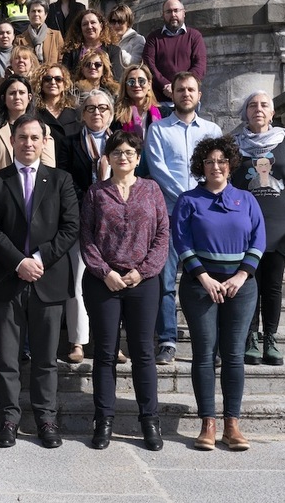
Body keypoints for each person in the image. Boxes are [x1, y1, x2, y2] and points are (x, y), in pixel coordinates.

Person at [0, 114, 79, 449]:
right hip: (8, 280)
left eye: (34, 138)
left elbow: (70, 228)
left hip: (47, 280)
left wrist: (38, 259)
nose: (28, 143)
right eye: (22, 137)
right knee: (8, 358)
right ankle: (9, 417)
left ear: (44, 141)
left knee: (45, 359)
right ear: (12, 141)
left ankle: (45, 418)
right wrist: (18, 261)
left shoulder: (61, 180)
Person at [173, 135, 266, 452]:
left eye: (221, 161)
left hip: (241, 287)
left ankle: (232, 424)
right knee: (204, 353)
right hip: (200, 288)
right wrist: (203, 277)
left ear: (230, 165)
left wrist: (241, 275)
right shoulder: (189, 200)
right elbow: (182, 242)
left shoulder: (246, 199)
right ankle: (207, 424)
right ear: (201, 165)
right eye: (210, 161)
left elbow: (259, 239)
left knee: (234, 354)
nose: (216, 166)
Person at [80, 130, 169, 451]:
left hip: (142, 283)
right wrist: (105, 272)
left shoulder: (152, 190)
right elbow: (86, 238)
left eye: (130, 152)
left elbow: (162, 236)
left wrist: (140, 272)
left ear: (138, 157)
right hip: (103, 283)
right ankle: (103, 421)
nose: (123, 157)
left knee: (143, 353)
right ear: (108, 157)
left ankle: (150, 422)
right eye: (117, 152)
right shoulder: (96, 193)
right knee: (104, 353)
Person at [229, 91, 285, 366]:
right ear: (245, 112)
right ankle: (251, 337)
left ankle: (271, 338)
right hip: (246, 220)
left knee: (273, 282)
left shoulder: (284, 138)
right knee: (250, 278)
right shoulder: (234, 143)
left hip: (280, 218)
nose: (258, 109)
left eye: (263, 105)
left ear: (272, 112)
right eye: (252, 105)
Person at [145, 72, 222, 365]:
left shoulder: (212, 130)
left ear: (199, 95)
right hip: (169, 216)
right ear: (172, 94)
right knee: (165, 281)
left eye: (191, 89)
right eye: (180, 89)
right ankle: (167, 339)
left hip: (205, 218)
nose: (185, 94)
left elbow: (218, 169)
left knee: (206, 279)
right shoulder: (159, 130)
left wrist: (201, 201)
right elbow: (158, 170)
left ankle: (207, 341)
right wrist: (189, 199)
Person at [56, 89, 115, 362]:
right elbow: (65, 183)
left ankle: (112, 341)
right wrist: (93, 194)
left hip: (115, 223)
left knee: (113, 281)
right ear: (82, 114)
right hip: (80, 218)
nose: (97, 113)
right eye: (91, 108)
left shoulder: (121, 144)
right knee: (78, 280)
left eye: (103, 108)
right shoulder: (69, 143)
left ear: (111, 113)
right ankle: (77, 341)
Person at [0, 74, 56, 200]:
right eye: (12, 93)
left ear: (29, 97)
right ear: (4, 98)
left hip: (33, 196)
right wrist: (6, 186)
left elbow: (48, 166)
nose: (17, 97)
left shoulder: (43, 130)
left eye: (22, 92)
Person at [142, 0, 207, 105]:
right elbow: (149, 65)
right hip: (161, 100)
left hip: (188, 99)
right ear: (163, 15)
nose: (173, 14)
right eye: (168, 11)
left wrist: (180, 87)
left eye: (176, 10)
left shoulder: (194, 36)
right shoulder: (153, 38)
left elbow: (200, 65)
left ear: (183, 13)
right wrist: (167, 86)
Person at [111, 63, 166, 178]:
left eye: (141, 81)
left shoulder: (165, 114)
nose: (136, 85)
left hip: (159, 172)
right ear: (125, 86)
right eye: (131, 81)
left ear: (149, 84)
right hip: (127, 174)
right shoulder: (116, 116)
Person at [61, 9, 124, 82]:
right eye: (85, 24)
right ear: (80, 28)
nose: (89, 27)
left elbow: (117, 79)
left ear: (101, 26)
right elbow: (65, 78)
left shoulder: (114, 50)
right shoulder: (71, 51)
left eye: (93, 22)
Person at [16, 0, 64, 66]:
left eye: (39, 11)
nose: (36, 14)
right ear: (28, 14)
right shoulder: (19, 39)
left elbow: (61, 60)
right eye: (33, 11)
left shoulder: (56, 36)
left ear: (46, 15)